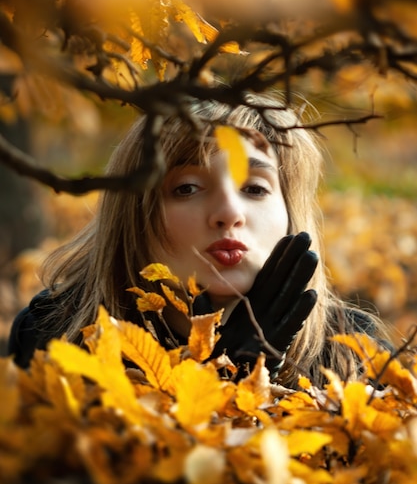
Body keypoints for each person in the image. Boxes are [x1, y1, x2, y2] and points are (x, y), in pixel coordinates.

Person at [8, 92, 387, 388]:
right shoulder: (55, 332)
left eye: (254, 189)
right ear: (135, 214)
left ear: (290, 212)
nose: (228, 213)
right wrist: (231, 374)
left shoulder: (350, 351)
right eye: (187, 188)